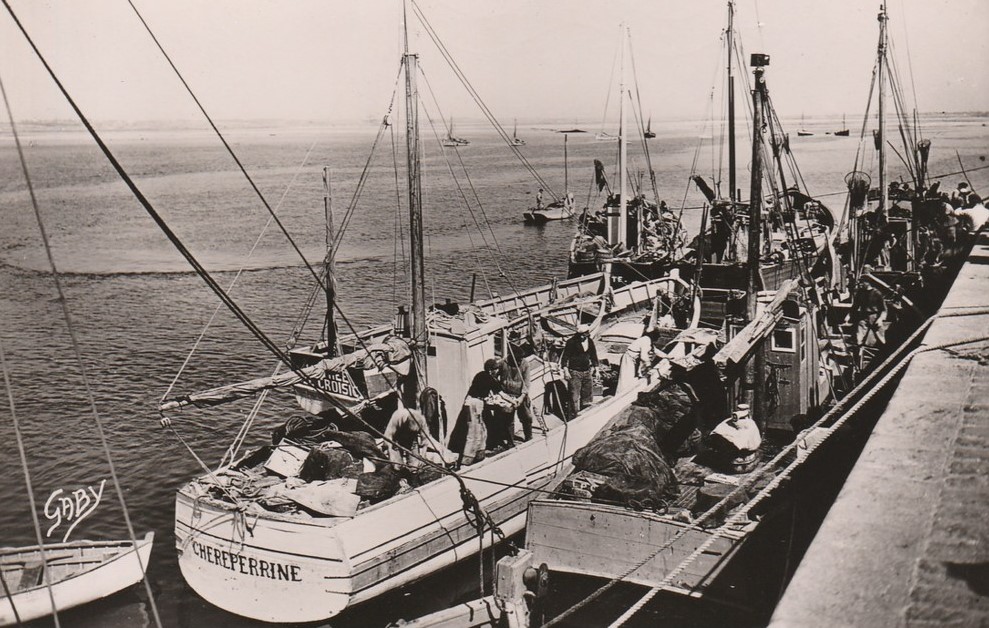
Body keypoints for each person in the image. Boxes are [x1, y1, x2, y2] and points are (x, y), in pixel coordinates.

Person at [447, 359, 501, 465]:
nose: (497, 371)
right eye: (496, 369)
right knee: (473, 432)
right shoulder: (489, 379)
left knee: (482, 430)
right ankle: (466, 461)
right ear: (491, 370)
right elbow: (500, 392)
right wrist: (513, 401)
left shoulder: (479, 375)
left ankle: (480, 455)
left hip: (472, 402)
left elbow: (479, 390)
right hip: (475, 404)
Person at [560, 323, 598, 418]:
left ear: (587, 333)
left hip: (587, 372)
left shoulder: (590, 341)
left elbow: (594, 356)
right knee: (574, 397)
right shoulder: (571, 342)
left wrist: (596, 370)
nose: (582, 337)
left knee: (587, 395)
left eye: (584, 335)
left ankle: (586, 415)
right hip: (574, 372)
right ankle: (572, 416)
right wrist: (566, 371)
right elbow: (565, 358)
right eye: (580, 335)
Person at [616, 328, 660, 394]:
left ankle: (631, 393)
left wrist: (668, 357)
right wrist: (648, 366)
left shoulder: (648, 340)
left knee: (634, 377)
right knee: (626, 379)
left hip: (634, 360)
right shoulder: (646, 340)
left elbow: (656, 351)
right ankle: (622, 395)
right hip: (628, 359)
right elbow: (643, 356)